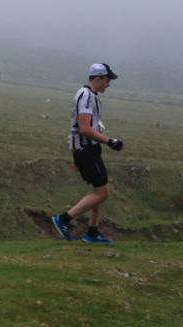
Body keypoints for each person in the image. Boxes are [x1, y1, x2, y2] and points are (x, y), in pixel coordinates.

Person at [52, 63, 124, 244]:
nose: (108, 84)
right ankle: (63, 219)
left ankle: (92, 233)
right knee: (103, 193)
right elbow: (84, 128)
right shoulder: (86, 97)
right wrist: (110, 141)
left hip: (85, 150)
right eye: (107, 81)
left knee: (100, 189)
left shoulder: (88, 95)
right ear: (98, 78)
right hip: (86, 149)